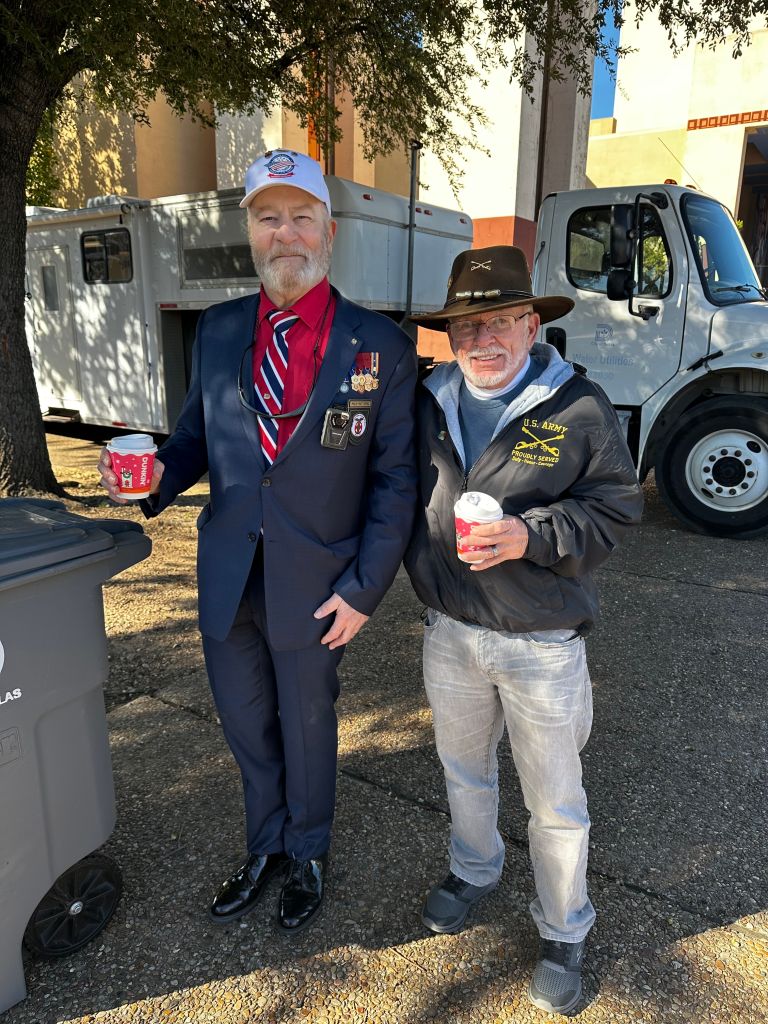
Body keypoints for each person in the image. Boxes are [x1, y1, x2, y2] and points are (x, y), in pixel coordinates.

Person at [99, 150, 417, 934]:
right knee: (246, 722)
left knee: (306, 725)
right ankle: (265, 845)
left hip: (319, 579)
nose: (286, 235)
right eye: (269, 218)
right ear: (250, 230)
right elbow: (193, 438)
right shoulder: (219, 329)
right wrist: (153, 482)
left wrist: (366, 589)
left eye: (301, 217)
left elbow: (396, 481)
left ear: (329, 232)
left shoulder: (379, 344)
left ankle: (308, 852)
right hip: (228, 571)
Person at [405, 245, 643, 1014]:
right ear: (448, 335)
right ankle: (475, 869)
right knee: (463, 772)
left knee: (556, 801)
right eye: (465, 327)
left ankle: (565, 926)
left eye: (500, 321)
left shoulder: (577, 405)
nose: (482, 341)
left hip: (542, 641)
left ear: (531, 323)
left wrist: (530, 536)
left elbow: (615, 506)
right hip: (450, 630)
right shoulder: (425, 400)